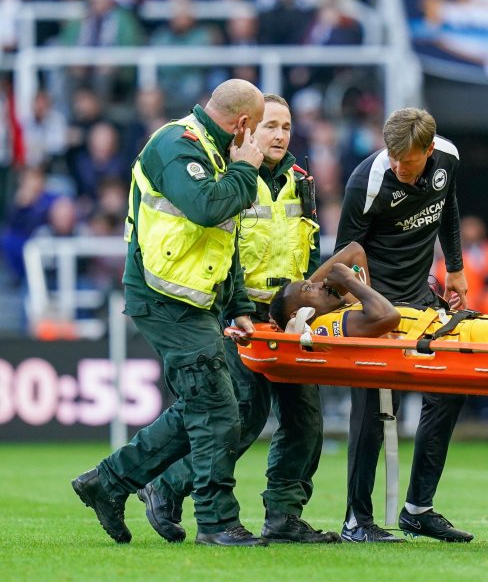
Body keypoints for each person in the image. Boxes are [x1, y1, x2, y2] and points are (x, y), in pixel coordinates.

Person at [134, 94, 340, 545]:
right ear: (247, 130)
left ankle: (284, 515)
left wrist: (311, 307)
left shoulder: (301, 181)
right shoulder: (229, 178)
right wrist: (234, 308)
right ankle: (167, 485)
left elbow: (310, 249)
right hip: (241, 313)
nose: (280, 135)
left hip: (290, 317)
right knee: (242, 416)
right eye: (270, 126)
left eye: (286, 127)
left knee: (305, 420)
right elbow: (220, 249)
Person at [71, 79, 269, 547]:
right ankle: (218, 523)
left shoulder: (212, 152)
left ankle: (110, 482)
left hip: (194, 302)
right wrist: (246, 171)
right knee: (219, 410)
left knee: (203, 407)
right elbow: (206, 208)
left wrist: (238, 304)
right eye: (257, 129)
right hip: (163, 300)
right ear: (242, 124)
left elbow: (223, 240)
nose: (259, 141)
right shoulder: (175, 145)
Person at [334, 107, 472, 543]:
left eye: (407, 161)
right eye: (392, 156)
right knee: (373, 409)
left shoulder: (447, 159)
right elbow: (344, 260)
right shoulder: (367, 180)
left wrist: (455, 268)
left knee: (450, 387)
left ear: (429, 151)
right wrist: (376, 315)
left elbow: (447, 204)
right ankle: (357, 520)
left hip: (420, 300)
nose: (398, 166)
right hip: (376, 306)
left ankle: (418, 509)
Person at [269, 242, 488, 357]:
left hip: (453, 326)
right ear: (305, 312)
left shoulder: (339, 311)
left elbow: (354, 250)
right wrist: (348, 281)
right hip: (455, 337)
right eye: (309, 290)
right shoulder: (327, 326)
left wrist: (312, 288)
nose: (320, 286)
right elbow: (387, 318)